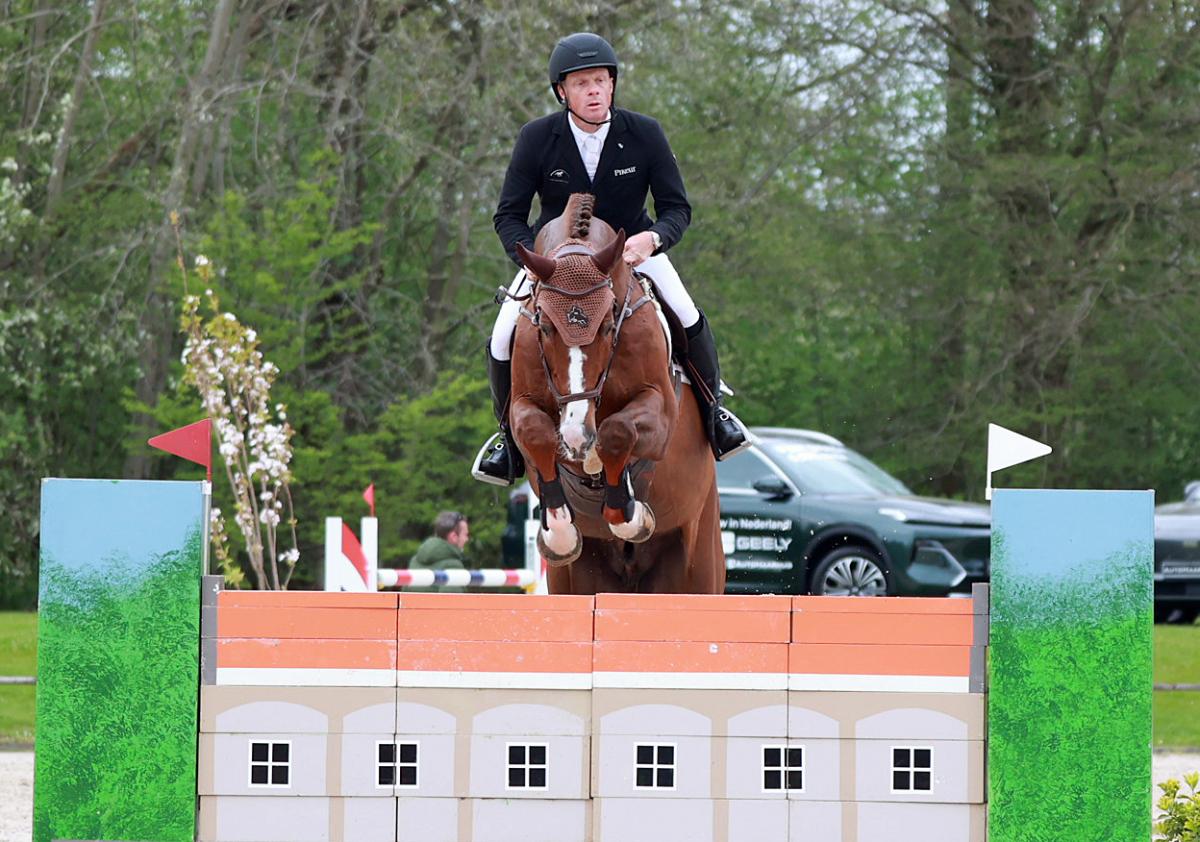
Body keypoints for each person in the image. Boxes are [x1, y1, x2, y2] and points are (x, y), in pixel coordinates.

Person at [472, 32, 750, 487]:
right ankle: (506, 439)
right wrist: (532, 256)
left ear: (613, 84)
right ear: (562, 91)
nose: (595, 91)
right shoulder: (538, 138)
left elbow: (677, 208)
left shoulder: (644, 133)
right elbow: (509, 214)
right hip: (557, 267)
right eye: (582, 83)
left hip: (630, 255)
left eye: (601, 81)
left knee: (686, 311)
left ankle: (715, 415)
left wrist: (653, 240)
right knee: (502, 336)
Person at [406, 511, 470, 593]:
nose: (467, 539)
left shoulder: (415, 560)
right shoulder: (453, 566)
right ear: (454, 537)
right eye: (465, 535)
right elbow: (452, 603)